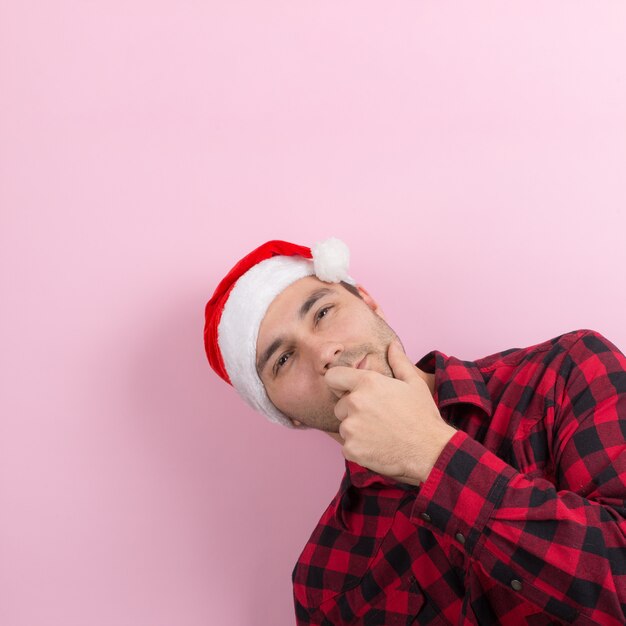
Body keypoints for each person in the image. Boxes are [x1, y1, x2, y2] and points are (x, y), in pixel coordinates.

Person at [203, 237, 626, 626]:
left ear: (369, 303)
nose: (323, 352)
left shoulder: (566, 372)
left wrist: (432, 455)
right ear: (282, 412)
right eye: (283, 360)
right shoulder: (323, 582)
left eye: (323, 313)